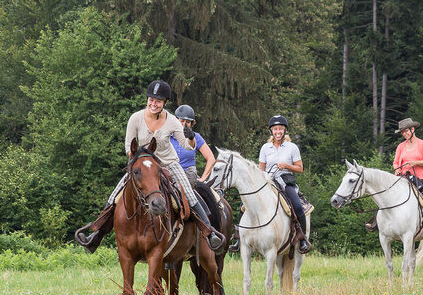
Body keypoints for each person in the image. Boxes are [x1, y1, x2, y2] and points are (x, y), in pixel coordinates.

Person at [73, 80, 225, 253]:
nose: (154, 104)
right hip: (142, 163)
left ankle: (210, 234)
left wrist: (190, 138)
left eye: (158, 101)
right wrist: (140, 162)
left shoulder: (173, 121)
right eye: (151, 100)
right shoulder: (135, 118)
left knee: (190, 196)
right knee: (116, 195)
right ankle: (96, 235)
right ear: (147, 99)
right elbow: (128, 147)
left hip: (168, 163)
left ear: (164, 103)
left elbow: (187, 146)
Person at [258, 114, 311, 254]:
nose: (278, 132)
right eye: (275, 129)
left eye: (280, 129)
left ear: (284, 131)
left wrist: (287, 166)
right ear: (271, 131)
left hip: (285, 182)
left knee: (298, 207)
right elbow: (260, 170)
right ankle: (240, 237)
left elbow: (300, 168)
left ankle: (302, 238)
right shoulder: (265, 148)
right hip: (268, 181)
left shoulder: (292, 147)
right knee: (244, 205)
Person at [171, 104, 216, 182]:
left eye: (187, 122)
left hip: (189, 176)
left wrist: (203, 178)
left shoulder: (196, 137)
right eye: (182, 121)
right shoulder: (167, 136)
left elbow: (211, 158)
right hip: (169, 174)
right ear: (176, 120)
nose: (184, 124)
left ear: (191, 124)